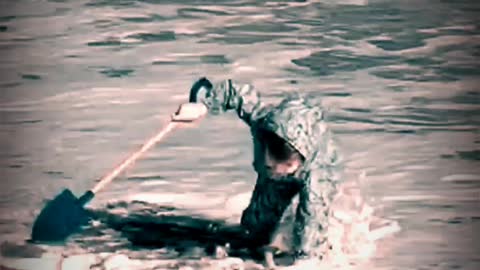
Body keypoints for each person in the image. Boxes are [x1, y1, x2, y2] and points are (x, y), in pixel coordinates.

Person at [172, 77, 342, 266]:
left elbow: (313, 218)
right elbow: (234, 92)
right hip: (283, 146)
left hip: (314, 170)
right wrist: (203, 104)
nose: (275, 172)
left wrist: (304, 260)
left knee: (308, 232)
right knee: (255, 230)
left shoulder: (317, 176)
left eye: (282, 169)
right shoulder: (263, 122)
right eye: (270, 166)